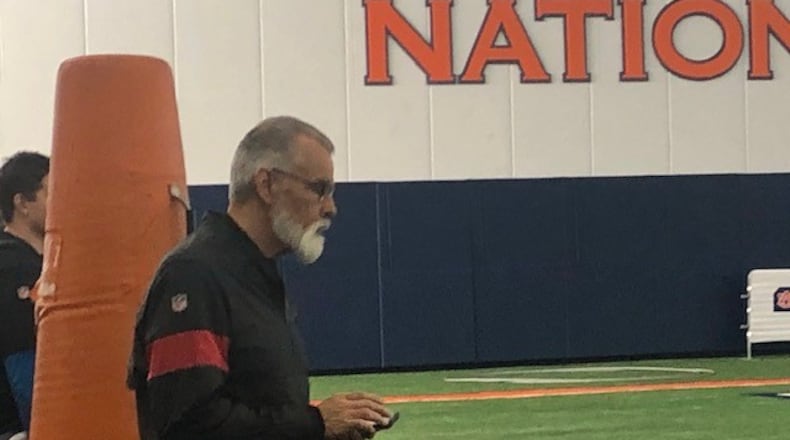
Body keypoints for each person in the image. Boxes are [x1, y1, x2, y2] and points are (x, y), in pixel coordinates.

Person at [128, 116, 393, 440]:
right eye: (319, 189)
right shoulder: (194, 276)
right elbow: (190, 424)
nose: (331, 207)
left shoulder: (251, 276)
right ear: (266, 185)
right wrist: (315, 424)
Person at [0, 151, 49, 440]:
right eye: (49, 191)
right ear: (22, 203)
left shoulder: (39, 264)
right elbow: (24, 368)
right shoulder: (11, 268)